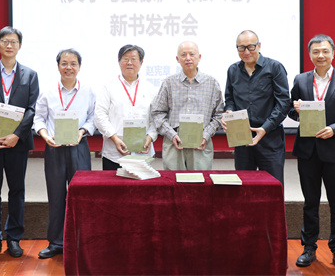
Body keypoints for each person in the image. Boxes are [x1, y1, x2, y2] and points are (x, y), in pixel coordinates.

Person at [289, 34, 335, 273]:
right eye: (315, 52)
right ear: (310, 54)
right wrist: (296, 109)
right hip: (307, 150)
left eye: (325, 51)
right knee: (310, 202)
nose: (320, 56)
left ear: (333, 53)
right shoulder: (300, 80)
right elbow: (291, 111)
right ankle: (309, 247)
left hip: (333, 151)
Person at [0, 27, 39, 258]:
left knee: (16, 190)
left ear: (19, 46)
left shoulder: (30, 75)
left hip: (17, 144)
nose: (9, 45)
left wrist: (17, 135)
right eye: (5, 41)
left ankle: (14, 238)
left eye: (13, 41)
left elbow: (32, 109)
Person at [33, 49, 96, 259]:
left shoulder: (88, 91)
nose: (69, 67)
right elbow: (39, 118)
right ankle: (56, 242)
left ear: (79, 66)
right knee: (56, 195)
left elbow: (92, 118)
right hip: (55, 147)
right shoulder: (48, 91)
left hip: (79, 146)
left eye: (73, 63)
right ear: (58, 65)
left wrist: (82, 131)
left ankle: (81, 241)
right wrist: (44, 136)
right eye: (64, 63)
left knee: (81, 196)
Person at [223, 30, 291, 185]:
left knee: (272, 187)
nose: (246, 52)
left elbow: (283, 103)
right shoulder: (233, 70)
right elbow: (229, 98)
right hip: (243, 139)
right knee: (243, 186)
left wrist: (264, 128)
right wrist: (229, 112)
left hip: (270, 139)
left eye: (251, 47)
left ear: (259, 45)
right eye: (241, 48)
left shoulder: (274, 67)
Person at [151, 41, 223, 170]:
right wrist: (171, 134)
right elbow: (157, 113)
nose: (188, 58)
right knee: (173, 181)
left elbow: (219, 115)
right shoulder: (168, 83)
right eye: (183, 55)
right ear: (177, 59)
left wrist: (206, 135)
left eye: (192, 54)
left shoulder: (212, 83)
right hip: (174, 141)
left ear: (199, 57)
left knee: (200, 181)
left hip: (201, 141)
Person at [94, 44, 158, 170]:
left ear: (141, 62)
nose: (129, 63)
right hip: (114, 153)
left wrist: (150, 137)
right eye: (125, 59)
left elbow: (156, 118)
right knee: (113, 183)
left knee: (142, 183)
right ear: (119, 62)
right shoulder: (108, 87)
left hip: (142, 151)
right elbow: (100, 115)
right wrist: (114, 138)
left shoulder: (151, 88)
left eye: (134, 59)